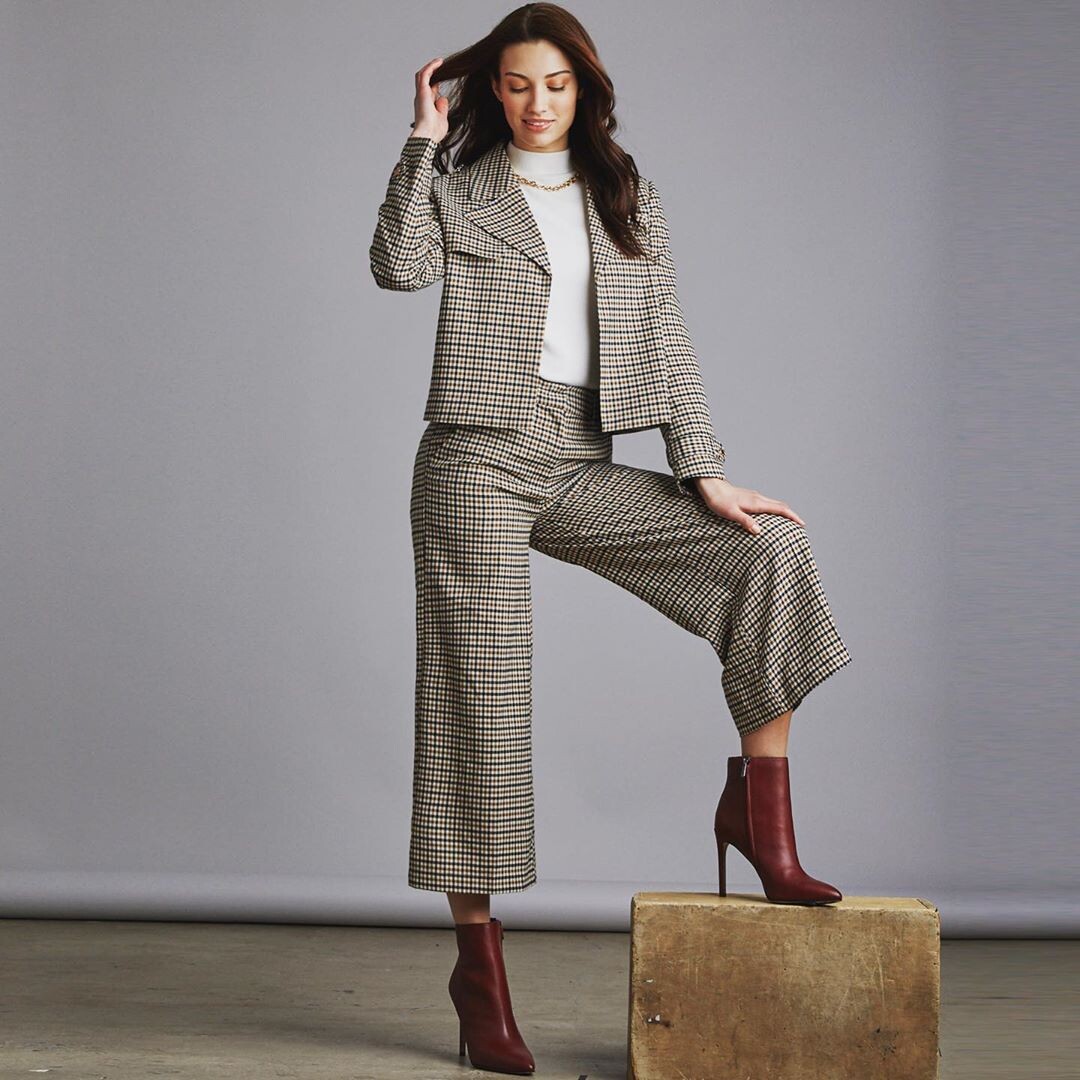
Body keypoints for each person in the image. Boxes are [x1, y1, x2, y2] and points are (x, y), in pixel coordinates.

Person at [370, 5, 853, 1073]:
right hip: (475, 457)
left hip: (578, 456)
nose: (536, 102)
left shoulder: (628, 194)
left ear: (584, 90)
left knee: (765, 553)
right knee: (481, 695)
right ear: (490, 91)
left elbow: (667, 336)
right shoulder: (458, 187)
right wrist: (418, 142)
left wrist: (703, 467)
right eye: (515, 84)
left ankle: (761, 821)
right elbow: (397, 268)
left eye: (555, 83)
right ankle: (478, 969)